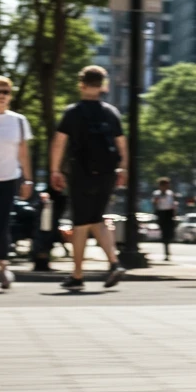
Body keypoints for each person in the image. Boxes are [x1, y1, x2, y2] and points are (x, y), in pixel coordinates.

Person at [50, 66, 128, 291]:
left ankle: (77, 275)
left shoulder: (72, 112)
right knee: (97, 219)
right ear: (103, 86)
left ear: (81, 84)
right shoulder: (111, 112)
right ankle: (114, 263)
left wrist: (55, 170)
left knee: (81, 224)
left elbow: (59, 143)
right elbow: (122, 145)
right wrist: (122, 169)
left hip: (81, 173)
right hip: (106, 174)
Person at [0, 76, 35, 293]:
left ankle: (3, 266)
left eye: (6, 92)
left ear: (10, 95)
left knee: (2, 227)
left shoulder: (19, 121)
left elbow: (23, 153)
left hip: (8, 179)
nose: (1, 95)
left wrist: (28, 179)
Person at [152, 176, 178, 261]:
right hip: (162, 214)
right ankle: (166, 251)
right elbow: (155, 204)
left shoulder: (171, 193)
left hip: (169, 214)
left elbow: (173, 204)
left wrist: (174, 214)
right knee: (164, 233)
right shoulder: (157, 194)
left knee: (170, 232)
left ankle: (168, 245)